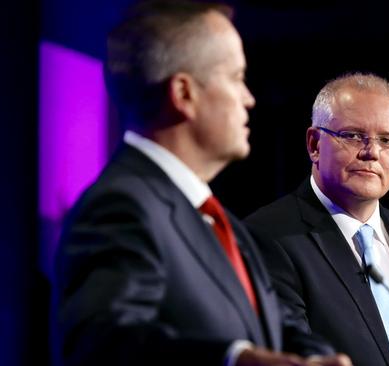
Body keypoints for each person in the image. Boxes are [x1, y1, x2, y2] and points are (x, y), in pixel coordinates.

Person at [52, 1, 351, 366]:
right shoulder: (119, 207)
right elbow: (102, 345)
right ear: (184, 94)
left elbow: (278, 327)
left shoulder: (221, 223)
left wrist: (319, 359)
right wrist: (234, 360)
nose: (249, 98)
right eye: (237, 78)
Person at [245, 72, 389, 366]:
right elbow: (291, 354)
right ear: (314, 144)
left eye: (387, 140)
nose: (372, 152)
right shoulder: (267, 236)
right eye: (353, 136)